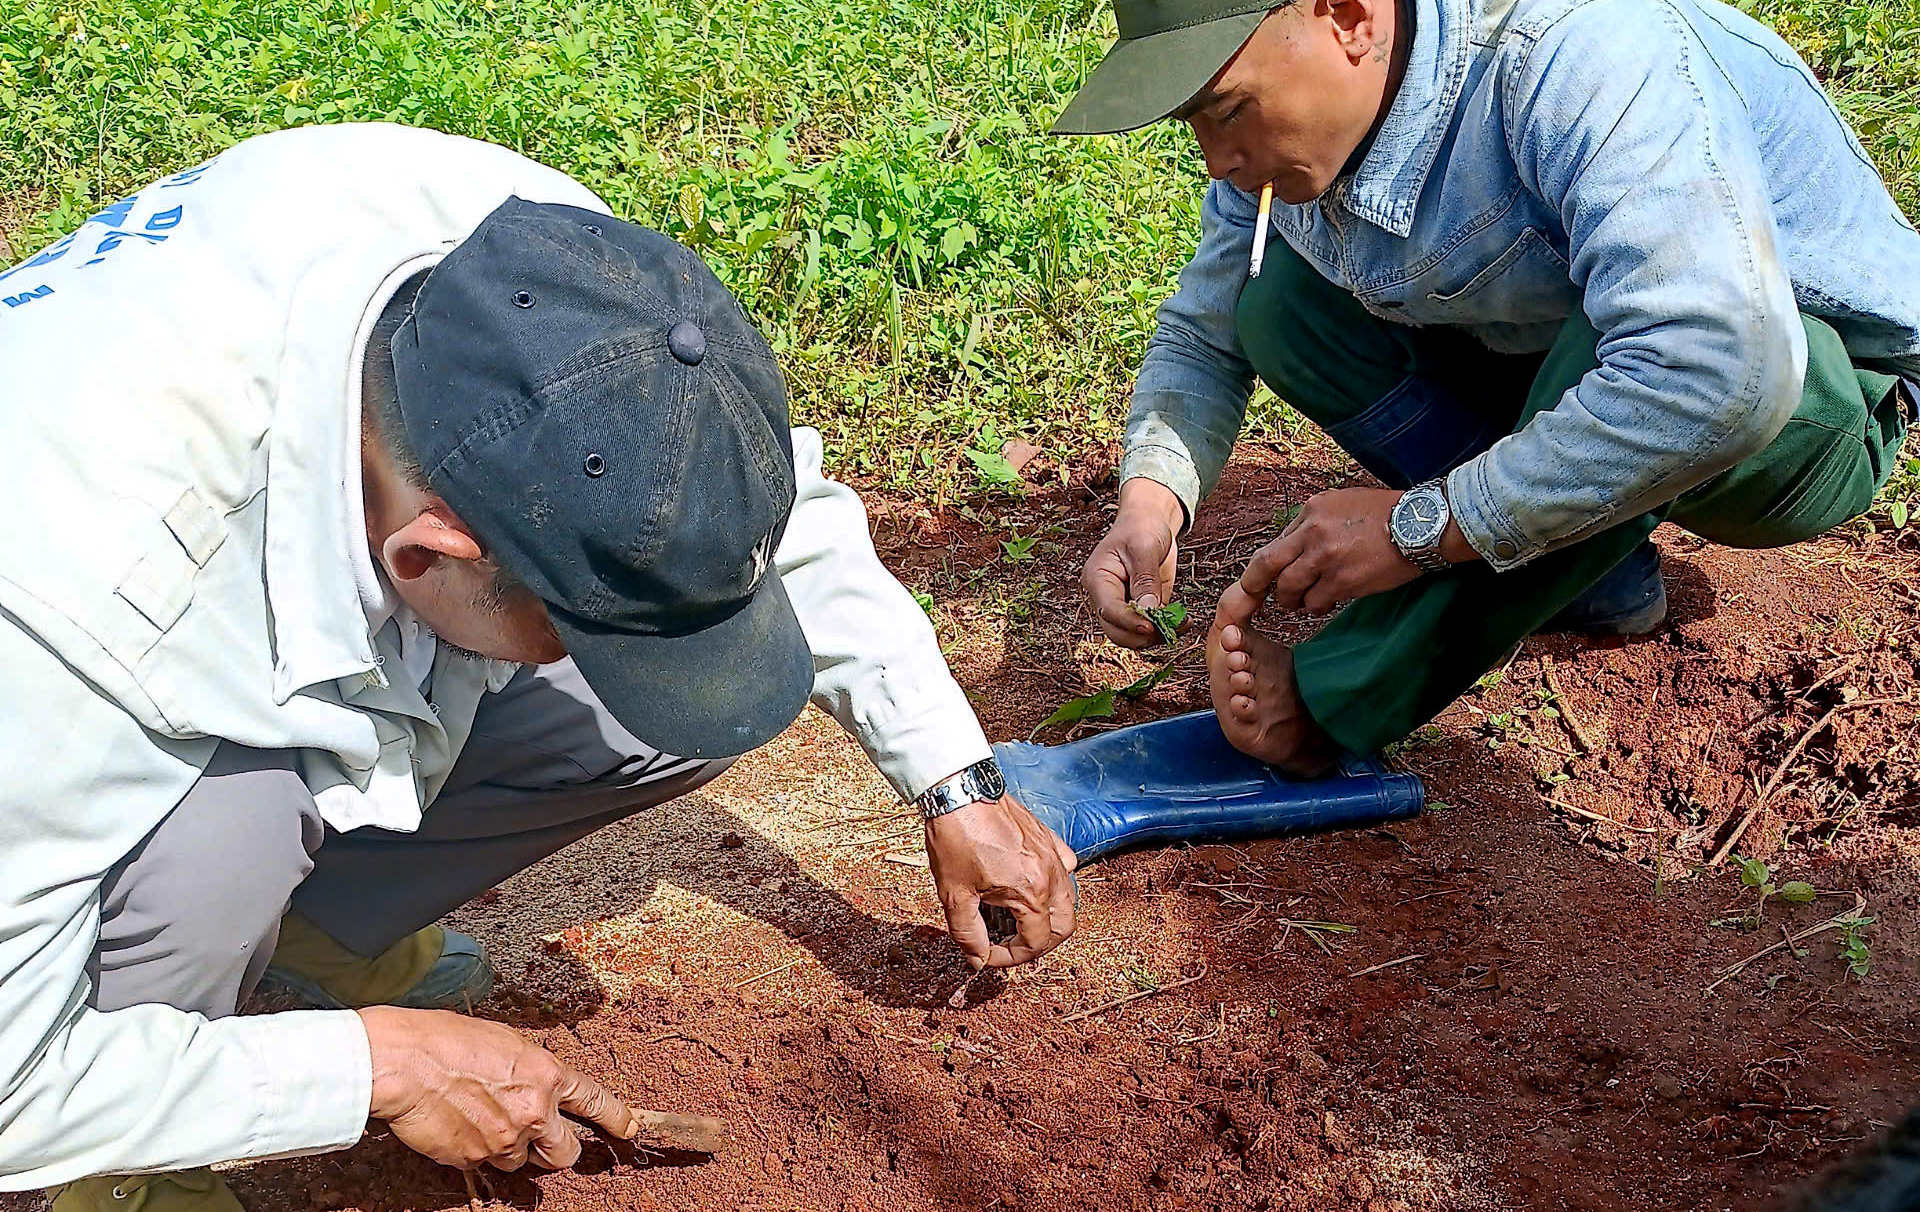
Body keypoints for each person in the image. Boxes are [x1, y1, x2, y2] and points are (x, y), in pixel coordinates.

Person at [0, 122, 1077, 1210]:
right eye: (571, 616)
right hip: (77, 652)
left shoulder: (550, 276)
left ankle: (316, 934)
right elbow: (6, 1085)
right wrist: (374, 1068)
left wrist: (954, 778)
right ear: (432, 555)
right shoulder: (73, 604)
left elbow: (739, 503)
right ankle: (124, 1172)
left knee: (654, 703)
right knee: (224, 827)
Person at [1064, 0, 1919, 773]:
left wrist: (1419, 528)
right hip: (1582, 357)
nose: (1218, 160)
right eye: (1195, 125)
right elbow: (1206, 325)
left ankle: (1335, 699)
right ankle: (1590, 573)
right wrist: (1150, 506)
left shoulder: (1576, 54)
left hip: (1814, 398)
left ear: (1350, 18)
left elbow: (1713, 367)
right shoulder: (1288, 151)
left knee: (1636, 344)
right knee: (1281, 305)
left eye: (1231, 110)